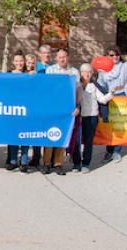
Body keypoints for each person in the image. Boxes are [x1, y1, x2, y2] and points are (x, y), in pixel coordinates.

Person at [74, 63, 117, 173]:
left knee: (88, 142)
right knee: (76, 141)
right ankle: (76, 163)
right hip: (79, 116)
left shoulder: (94, 85)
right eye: (85, 71)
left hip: (92, 116)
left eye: (90, 71)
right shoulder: (76, 85)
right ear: (81, 73)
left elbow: (102, 99)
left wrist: (110, 94)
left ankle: (86, 164)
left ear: (92, 73)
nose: (87, 74)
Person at [44, 48, 80, 176]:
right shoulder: (50, 70)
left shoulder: (74, 72)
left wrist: (77, 106)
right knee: (50, 134)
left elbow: (77, 91)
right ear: (56, 59)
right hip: (53, 107)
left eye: (64, 57)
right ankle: (47, 163)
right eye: (59, 57)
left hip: (67, 109)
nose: (62, 59)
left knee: (62, 135)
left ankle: (58, 164)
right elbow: (48, 89)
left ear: (68, 57)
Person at [6, 50, 31, 173]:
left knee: (25, 136)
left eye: (21, 61)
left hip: (26, 110)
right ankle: (13, 161)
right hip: (12, 110)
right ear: (13, 62)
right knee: (13, 137)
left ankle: (24, 161)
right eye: (17, 61)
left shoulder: (29, 74)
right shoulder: (8, 74)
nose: (19, 63)